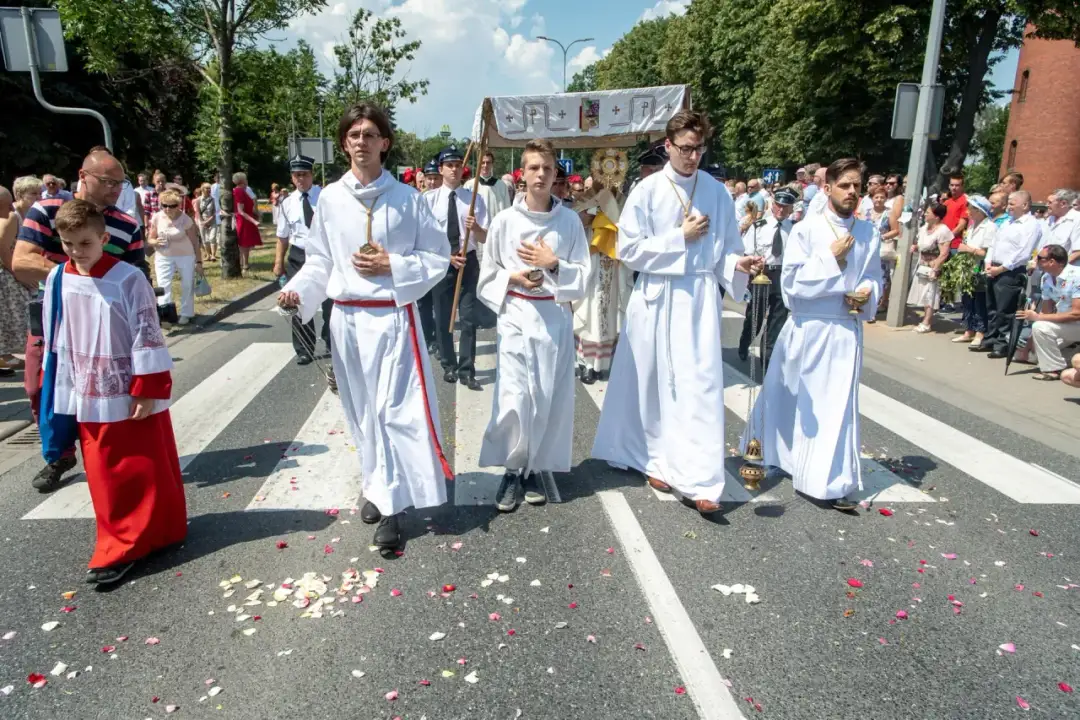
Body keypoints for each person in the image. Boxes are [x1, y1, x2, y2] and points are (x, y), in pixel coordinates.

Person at [277, 102, 451, 550]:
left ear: (384, 143)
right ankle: (377, 483)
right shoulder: (332, 199)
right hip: (347, 319)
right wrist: (298, 291)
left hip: (392, 317)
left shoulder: (408, 199)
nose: (361, 141)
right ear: (343, 144)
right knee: (361, 413)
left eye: (370, 134)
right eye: (353, 135)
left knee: (393, 413)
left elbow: (436, 257)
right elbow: (320, 259)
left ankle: (392, 508)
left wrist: (393, 264)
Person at [591, 110, 759, 516]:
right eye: (685, 148)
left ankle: (702, 480)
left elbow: (726, 246)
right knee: (651, 384)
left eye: (698, 149)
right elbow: (628, 251)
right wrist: (677, 238)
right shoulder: (648, 190)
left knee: (698, 386)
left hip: (698, 298)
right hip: (656, 297)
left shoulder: (716, 193)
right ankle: (652, 458)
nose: (692, 157)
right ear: (668, 146)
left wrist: (738, 265)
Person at [45, 200, 185, 585]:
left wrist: (146, 388)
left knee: (145, 464)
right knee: (104, 471)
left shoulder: (128, 278)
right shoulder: (59, 277)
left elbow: (147, 331)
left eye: (85, 244)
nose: (77, 252)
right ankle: (118, 543)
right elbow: (57, 335)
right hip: (87, 389)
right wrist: (58, 388)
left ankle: (156, 532)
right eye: (68, 244)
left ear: (104, 239)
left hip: (127, 385)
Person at [744, 158, 882, 512]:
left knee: (833, 407)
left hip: (845, 328)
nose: (852, 192)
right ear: (828, 188)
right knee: (792, 401)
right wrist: (830, 260)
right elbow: (790, 286)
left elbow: (875, 278)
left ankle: (825, 481)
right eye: (845, 185)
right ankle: (781, 454)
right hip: (808, 327)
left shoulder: (869, 233)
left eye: (857, 185)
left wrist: (867, 293)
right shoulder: (806, 230)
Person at [14, 147, 148, 493]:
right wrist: (76, 281)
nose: (115, 190)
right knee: (40, 387)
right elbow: (22, 261)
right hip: (53, 317)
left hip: (104, 327)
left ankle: (100, 451)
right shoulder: (46, 210)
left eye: (120, 183)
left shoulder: (126, 225)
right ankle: (59, 452)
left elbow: (135, 274)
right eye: (107, 182)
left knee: (102, 388)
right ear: (83, 176)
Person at [476, 138, 590, 512]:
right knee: (514, 396)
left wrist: (553, 264)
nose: (541, 174)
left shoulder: (570, 221)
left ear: (557, 173)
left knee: (548, 398)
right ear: (521, 175)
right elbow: (488, 272)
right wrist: (514, 278)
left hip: (554, 318)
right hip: (516, 316)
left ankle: (539, 466)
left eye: (547, 168)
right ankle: (512, 470)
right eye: (533, 168)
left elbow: (585, 276)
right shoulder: (505, 221)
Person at [425, 145, 489, 390]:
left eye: (458, 165)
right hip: (442, 263)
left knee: (469, 318)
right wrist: (447, 257)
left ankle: (467, 369)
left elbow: (485, 238)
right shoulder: (429, 200)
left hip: (469, 262)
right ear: (440, 169)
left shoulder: (474, 199)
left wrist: (476, 229)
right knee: (442, 318)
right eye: (449, 165)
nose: (454, 169)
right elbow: (427, 239)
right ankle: (449, 365)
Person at [273, 155, 334, 374]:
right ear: (292, 178)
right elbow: (282, 236)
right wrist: (278, 261)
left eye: (305, 174)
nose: (301, 179)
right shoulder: (287, 203)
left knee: (331, 302)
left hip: (325, 255)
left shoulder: (326, 197)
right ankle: (304, 349)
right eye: (297, 175)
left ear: (312, 175)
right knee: (296, 300)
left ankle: (331, 338)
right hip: (298, 255)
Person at [973, 191, 1042, 357]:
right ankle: (990, 338)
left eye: (1012, 204)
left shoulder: (1031, 225)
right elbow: (994, 244)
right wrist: (989, 263)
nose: (1008, 207)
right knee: (992, 308)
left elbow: (1023, 253)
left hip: (1011, 271)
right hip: (994, 267)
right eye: (1008, 203)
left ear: (1024, 205)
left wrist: (1002, 268)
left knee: (1005, 310)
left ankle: (1002, 343)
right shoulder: (1007, 223)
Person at [572, 182, 628, 384]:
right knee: (589, 313)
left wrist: (613, 217)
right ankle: (586, 363)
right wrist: (587, 217)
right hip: (590, 263)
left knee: (608, 315)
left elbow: (629, 227)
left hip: (613, 266)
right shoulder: (584, 200)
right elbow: (575, 223)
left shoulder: (623, 201)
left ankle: (606, 364)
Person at [738, 187, 798, 366]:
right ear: (773, 205)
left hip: (783, 275)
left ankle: (767, 355)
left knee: (777, 319)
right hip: (762, 275)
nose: (781, 210)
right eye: (778, 205)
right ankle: (745, 342)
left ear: (791, 209)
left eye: (785, 207)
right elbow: (746, 251)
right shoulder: (758, 227)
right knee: (755, 317)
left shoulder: (795, 229)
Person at [1021, 244, 1080, 381]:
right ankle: (1067, 359)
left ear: (1052, 261)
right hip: (1066, 325)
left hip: (1076, 322)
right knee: (1036, 353)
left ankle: (1054, 369)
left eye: (1040, 258)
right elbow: (1046, 313)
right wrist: (1030, 343)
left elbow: (1077, 313)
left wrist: (1038, 317)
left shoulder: (1077, 276)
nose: (1036, 261)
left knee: (1041, 328)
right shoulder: (1046, 278)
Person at [148, 189, 202, 325]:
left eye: (171, 206)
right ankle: (166, 315)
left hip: (185, 255)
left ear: (178, 205)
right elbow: (150, 238)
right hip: (163, 256)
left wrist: (199, 262)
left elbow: (195, 242)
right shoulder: (157, 217)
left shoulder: (186, 220)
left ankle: (186, 313)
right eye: (164, 205)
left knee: (187, 284)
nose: (167, 209)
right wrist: (155, 242)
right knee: (163, 285)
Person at [952, 194, 997, 347]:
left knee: (979, 301)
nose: (968, 211)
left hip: (980, 268)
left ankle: (980, 332)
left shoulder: (989, 227)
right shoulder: (971, 226)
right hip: (968, 268)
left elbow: (985, 252)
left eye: (970, 208)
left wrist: (967, 249)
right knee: (967, 300)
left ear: (979, 210)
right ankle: (968, 330)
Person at [907, 203, 952, 333]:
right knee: (922, 294)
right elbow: (921, 244)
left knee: (930, 295)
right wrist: (915, 248)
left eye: (928, 212)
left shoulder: (943, 231)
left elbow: (944, 253)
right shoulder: (924, 227)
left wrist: (936, 268)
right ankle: (926, 318)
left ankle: (927, 322)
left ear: (937, 216)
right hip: (922, 266)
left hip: (933, 267)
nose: (925, 214)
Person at [232, 172, 262, 272]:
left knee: (247, 244)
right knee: (244, 244)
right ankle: (244, 265)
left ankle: (244, 264)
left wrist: (257, 214)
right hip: (244, 221)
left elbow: (249, 207)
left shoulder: (244, 190)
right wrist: (254, 221)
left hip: (247, 219)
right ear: (242, 180)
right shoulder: (239, 191)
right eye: (245, 178)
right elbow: (240, 211)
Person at [1044, 189, 1080, 265]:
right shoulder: (1050, 219)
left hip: (1067, 273)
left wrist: (1057, 266)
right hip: (1047, 270)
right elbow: (1043, 245)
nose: (1046, 205)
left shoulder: (1077, 220)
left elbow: (1078, 252)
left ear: (1063, 204)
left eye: (1050, 202)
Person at [476, 151, 511, 217]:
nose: (485, 165)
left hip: (496, 225)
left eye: (488, 162)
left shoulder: (501, 186)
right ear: (478, 163)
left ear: (492, 164)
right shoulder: (470, 185)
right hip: (477, 226)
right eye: (483, 162)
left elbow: (507, 209)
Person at [942, 172, 969, 251]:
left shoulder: (965, 201)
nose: (954, 188)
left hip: (955, 245)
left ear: (962, 186)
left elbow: (961, 226)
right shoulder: (947, 202)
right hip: (942, 242)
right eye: (952, 185)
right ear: (949, 186)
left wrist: (947, 239)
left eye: (957, 185)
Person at [196, 183, 218, 262]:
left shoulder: (213, 199)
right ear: (202, 189)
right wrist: (203, 222)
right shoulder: (198, 200)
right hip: (202, 221)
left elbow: (214, 212)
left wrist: (208, 221)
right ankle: (208, 255)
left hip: (212, 221)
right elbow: (198, 212)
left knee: (212, 238)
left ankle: (213, 255)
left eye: (210, 188)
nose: (209, 190)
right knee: (204, 239)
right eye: (207, 188)